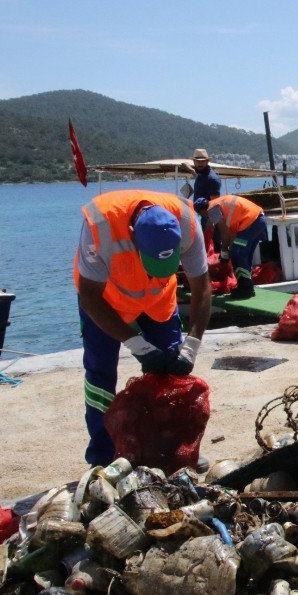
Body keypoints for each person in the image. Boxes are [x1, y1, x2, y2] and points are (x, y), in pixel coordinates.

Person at [75, 189, 212, 466]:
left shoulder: (187, 223)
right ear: (131, 235)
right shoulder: (100, 225)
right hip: (106, 303)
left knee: (170, 376)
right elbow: (89, 295)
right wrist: (136, 344)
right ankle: (103, 457)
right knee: (100, 378)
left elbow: (202, 287)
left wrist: (192, 345)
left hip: (158, 302)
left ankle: (171, 452)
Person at [195, 195, 267, 299]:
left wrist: (224, 252)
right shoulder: (218, 204)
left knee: (237, 253)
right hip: (259, 221)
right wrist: (227, 248)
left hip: (251, 223)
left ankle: (245, 288)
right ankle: (248, 287)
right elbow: (230, 235)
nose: (203, 217)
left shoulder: (212, 210)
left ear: (201, 211)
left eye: (201, 215)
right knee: (245, 255)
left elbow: (224, 233)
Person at [192, 148, 222, 252]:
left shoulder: (212, 179)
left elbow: (215, 204)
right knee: (206, 249)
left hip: (212, 219)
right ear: (194, 162)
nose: (200, 164)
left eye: (202, 161)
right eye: (197, 161)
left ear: (207, 161)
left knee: (214, 249)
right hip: (203, 218)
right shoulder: (200, 175)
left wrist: (210, 223)